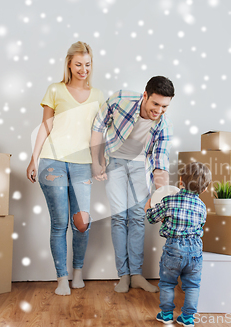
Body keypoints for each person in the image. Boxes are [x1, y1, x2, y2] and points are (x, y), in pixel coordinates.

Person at [26, 41, 105, 296]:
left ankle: (78, 271)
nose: (84, 69)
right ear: (69, 63)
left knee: (82, 222)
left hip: (82, 164)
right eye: (79, 64)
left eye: (88, 65)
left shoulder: (98, 96)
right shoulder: (55, 90)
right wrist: (33, 158)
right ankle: (62, 278)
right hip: (53, 161)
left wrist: (98, 162)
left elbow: (98, 134)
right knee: (59, 222)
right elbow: (45, 127)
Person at [90, 76, 175, 293]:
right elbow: (98, 123)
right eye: (155, 104)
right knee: (119, 217)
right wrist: (96, 160)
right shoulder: (121, 99)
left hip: (141, 166)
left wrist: (162, 198)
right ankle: (123, 276)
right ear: (145, 95)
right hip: (115, 161)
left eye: (164, 106)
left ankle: (136, 275)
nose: (159, 111)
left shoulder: (163, 125)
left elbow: (160, 163)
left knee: (137, 218)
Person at [145, 162, 212, 327]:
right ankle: (188, 317)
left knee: (167, 283)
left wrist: (148, 207)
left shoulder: (169, 200)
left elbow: (152, 218)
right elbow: (199, 225)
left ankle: (166, 314)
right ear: (204, 189)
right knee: (192, 285)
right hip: (195, 249)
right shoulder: (202, 207)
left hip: (173, 249)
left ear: (180, 181)